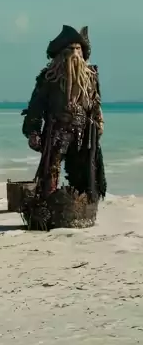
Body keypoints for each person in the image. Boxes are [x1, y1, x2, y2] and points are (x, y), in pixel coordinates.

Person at [22, 25, 106, 213]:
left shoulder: (91, 77)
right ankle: (47, 209)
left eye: (78, 49)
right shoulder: (48, 78)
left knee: (84, 171)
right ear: (61, 53)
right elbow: (36, 107)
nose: (75, 53)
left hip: (84, 130)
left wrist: (99, 121)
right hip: (57, 130)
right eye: (70, 49)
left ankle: (81, 209)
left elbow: (95, 102)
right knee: (50, 171)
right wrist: (33, 131)